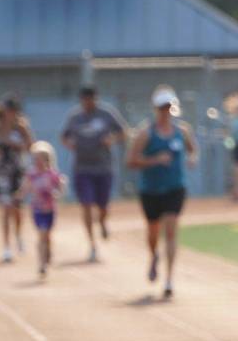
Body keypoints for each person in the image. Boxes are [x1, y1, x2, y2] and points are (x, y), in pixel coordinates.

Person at [126, 86, 198, 299]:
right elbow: (131, 161)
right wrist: (154, 160)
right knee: (153, 232)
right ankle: (153, 255)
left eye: (168, 107)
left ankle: (169, 279)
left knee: (171, 230)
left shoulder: (182, 131)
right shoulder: (145, 133)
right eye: (162, 108)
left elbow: (193, 149)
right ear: (155, 109)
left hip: (175, 188)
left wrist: (192, 158)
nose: (166, 112)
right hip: (151, 190)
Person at [61, 85, 128, 262]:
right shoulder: (75, 117)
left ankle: (103, 221)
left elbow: (123, 132)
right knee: (86, 204)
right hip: (82, 168)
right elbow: (64, 136)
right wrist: (69, 144)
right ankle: (92, 245)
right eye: (85, 100)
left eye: (91, 99)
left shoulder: (106, 114)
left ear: (96, 99)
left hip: (103, 167)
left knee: (103, 206)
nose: (88, 103)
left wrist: (112, 139)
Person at [0, 96, 33, 263]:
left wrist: (14, 144)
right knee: (6, 208)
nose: (10, 113)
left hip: (17, 171)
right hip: (1, 172)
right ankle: (6, 247)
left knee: (17, 209)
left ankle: (18, 235)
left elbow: (30, 146)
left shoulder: (21, 127)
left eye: (12, 110)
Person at [19, 141, 66, 279]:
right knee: (41, 234)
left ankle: (48, 252)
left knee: (47, 235)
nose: (37, 162)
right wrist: (19, 197)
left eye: (40, 159)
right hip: (37, 209)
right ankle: (41, 264)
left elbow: (60, 187)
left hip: (50, 210)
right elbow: (25, 188)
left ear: (47, 160)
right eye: (35, 159)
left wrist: (58, 193)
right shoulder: (31, 174)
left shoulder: (52, 174)